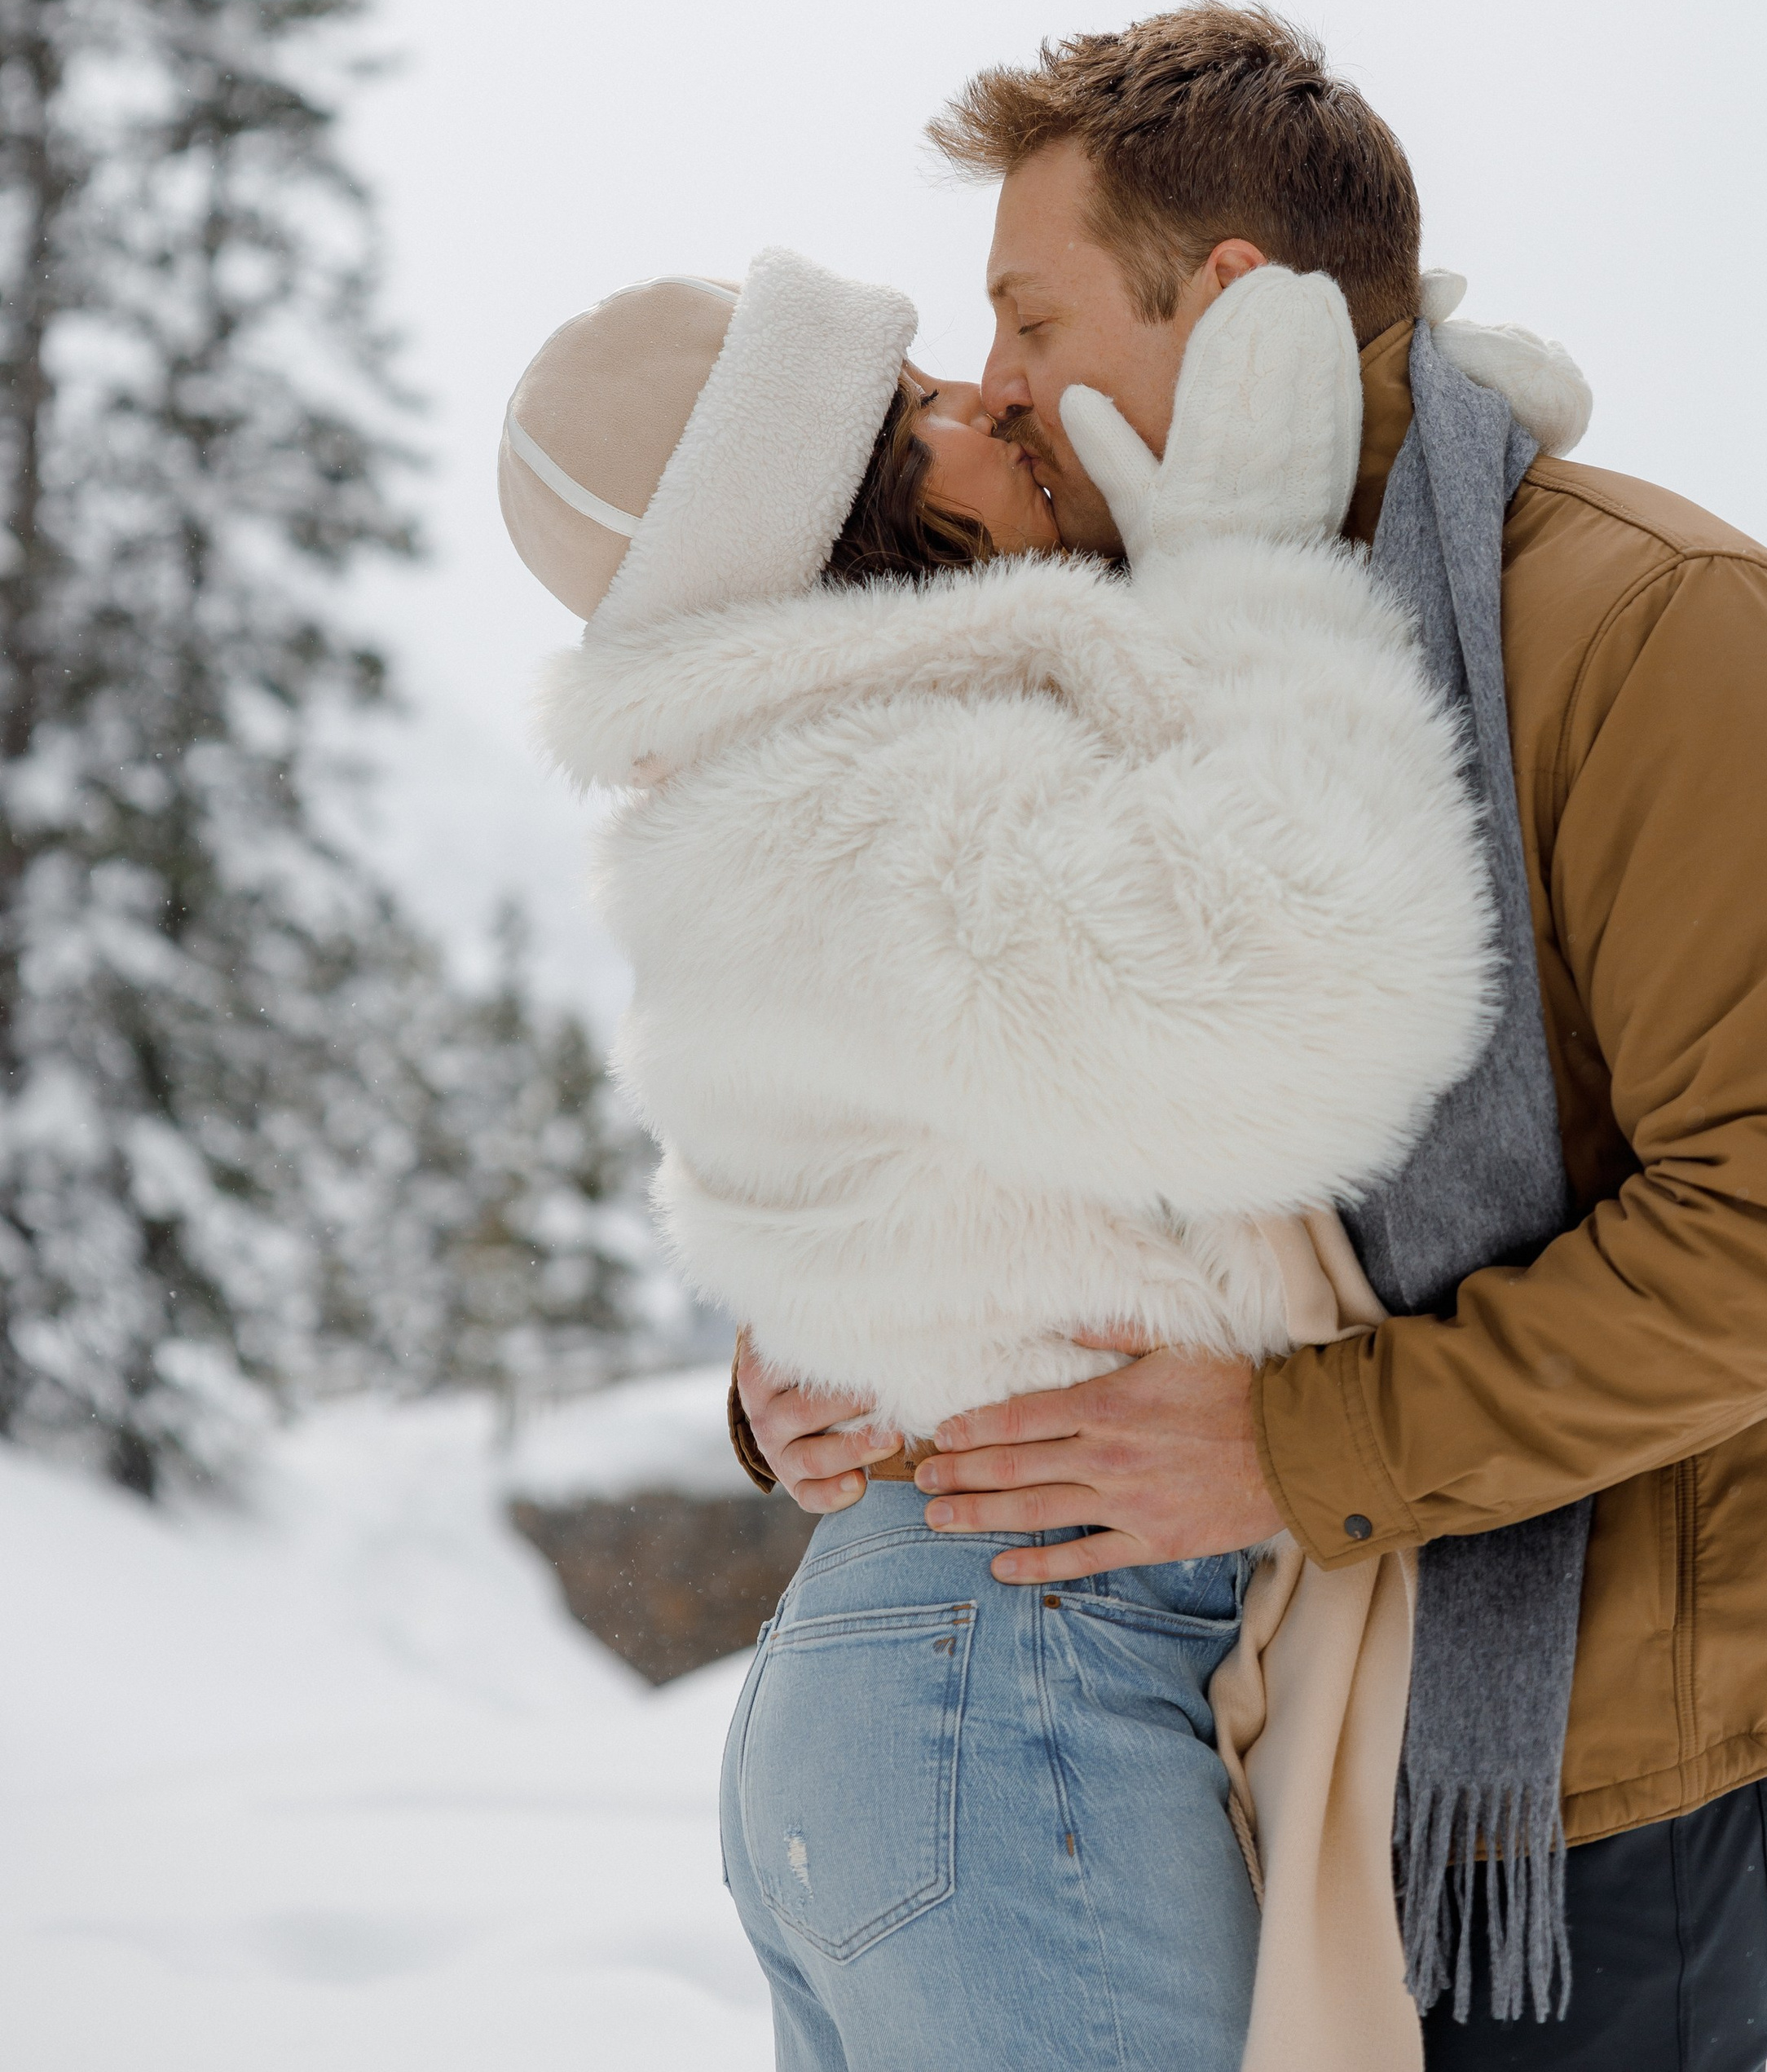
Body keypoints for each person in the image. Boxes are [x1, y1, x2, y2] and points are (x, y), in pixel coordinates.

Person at [734, 2, 1767, 2071]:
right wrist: (835, 1355)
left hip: (1592, 1764)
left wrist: (1297, 1451)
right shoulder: (1162, 668)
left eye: (1028, 318)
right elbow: (1064, 1144)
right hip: (1273, 1734)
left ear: (1223, 300)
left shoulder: (1654, 626)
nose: (996, 385)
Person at [500, 241, 1573, 2070]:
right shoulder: (864, 803)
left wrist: (1407, 421)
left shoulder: (856, 762)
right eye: (926, 408)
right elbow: (1320, 984)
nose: (994, 399)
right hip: (1011, 1675)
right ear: (837, 527)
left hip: (958, 1669)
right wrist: (1255, 567)